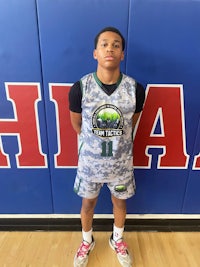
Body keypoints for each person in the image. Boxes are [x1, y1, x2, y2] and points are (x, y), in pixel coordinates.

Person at [69, 26, 145, 267]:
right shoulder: (80, 88)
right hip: (90, 164)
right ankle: (86, 241)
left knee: (120, 203)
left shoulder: (135, 89)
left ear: (122, 54)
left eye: (116, 45)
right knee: (87, 203)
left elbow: (130, 125)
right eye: (104, 44)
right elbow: (77, 124)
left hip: (120, 164)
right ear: (95, 53)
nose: (110, 48)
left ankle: (117, 239)